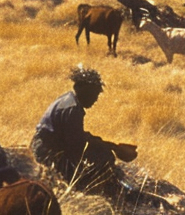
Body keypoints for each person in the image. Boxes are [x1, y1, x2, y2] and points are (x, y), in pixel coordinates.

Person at [32, 65, 136, 194]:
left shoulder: (67, 99)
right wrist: (109, 149)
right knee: (103, 157)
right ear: (79, 88)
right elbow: (76, 145)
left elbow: (76, 136)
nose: (95, 99)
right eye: (93, 93)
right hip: (47, 151)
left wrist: (112, 146)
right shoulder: (72, 109)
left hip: (45, 145)